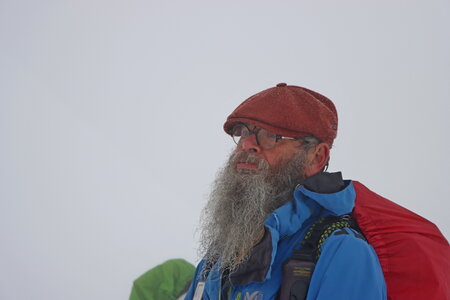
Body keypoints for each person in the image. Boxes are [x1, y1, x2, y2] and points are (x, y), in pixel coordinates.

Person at [184, 83, 387, 300]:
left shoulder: (342, 253)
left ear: (316, 157)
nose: (247, 144)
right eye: (243, 132)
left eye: (271, 134)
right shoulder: (219, 256)